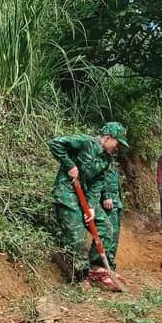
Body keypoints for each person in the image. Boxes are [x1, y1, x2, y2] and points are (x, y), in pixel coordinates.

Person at [48, 122, 129, 291]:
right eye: (117, 142)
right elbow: (55, 143)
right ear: (108, 138)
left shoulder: (107, 159)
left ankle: (96, 267)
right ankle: (80, 276)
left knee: (106, 228)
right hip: (67, 194)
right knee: (76, 236)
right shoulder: (85, 142)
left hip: (85, 196)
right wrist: (69, 165)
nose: (118, 147)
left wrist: (92, 206)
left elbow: (98, 183)